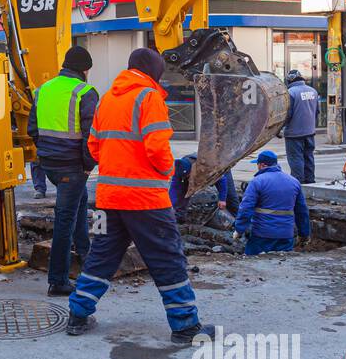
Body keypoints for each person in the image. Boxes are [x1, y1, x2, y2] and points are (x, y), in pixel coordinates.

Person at [66, 48, 214, 343]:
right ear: (153, 72)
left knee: (101, 255)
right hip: (145, 200)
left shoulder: (107, 98)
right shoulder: (149, 98)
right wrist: (167, 172)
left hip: (108, 199)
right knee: (167, 258)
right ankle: (185, 326)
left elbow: (93, 148)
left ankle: (77, 315)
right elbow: (157, 148)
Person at [27, 46, 99, 296]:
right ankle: (57, 280)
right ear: (85, 69)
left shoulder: (43, 89)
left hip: (49, 164)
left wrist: (47, 152)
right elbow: (91, 136)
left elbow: (32, 129)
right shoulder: (85, 92)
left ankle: (87, 258)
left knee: (79, 204)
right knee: (65, 221)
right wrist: (88, 166)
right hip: (72, 166)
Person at [233, 151, 311, 255]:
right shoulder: (293, 182)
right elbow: (302, 211)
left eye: (257, 164)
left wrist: (239, 229)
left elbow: (246, 208)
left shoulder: (257, 181)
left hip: (262, 235)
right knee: (283, 265)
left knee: (253, 264)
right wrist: (304, 234)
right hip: (286, 235)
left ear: (262, 165)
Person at [168, 154, 240, 222]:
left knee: (230, 196)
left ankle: (237, 220)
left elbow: (222, 181)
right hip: (192, 171)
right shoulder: (178, 169)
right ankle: (180, 217)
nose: (187, 178)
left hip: (220, 166)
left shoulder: (206, 167)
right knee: (182, 191)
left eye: (188, 176)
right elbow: (174, 190)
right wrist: (170, 206)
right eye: (185, 177)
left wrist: (222, 199)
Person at [280, 70, 320, 183]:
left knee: (296, 159)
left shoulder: (290, 93)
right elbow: (317, 112)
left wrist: (279, 129)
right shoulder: (313, 91)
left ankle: (298, 185)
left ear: (289, 80)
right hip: (310, 132)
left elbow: (287, 115)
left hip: (294, 134)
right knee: (309, 158)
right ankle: (310, 182)